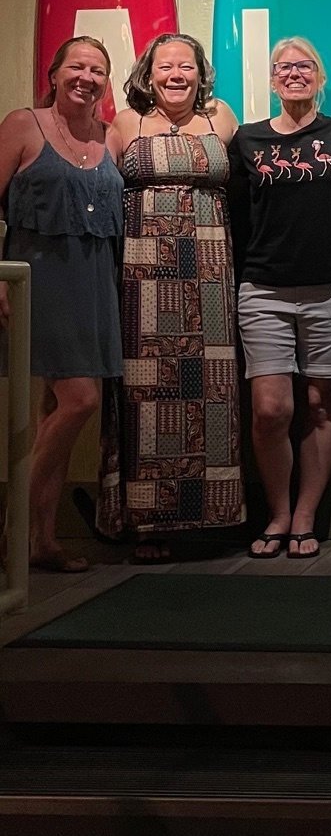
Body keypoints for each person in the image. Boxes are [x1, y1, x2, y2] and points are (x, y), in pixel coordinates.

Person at [98, 33, 243, 560]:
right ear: (149, 73)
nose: (176, 74)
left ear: (200, 72)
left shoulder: (220, 118)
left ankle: (211, 516)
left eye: (186, 65)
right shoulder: (126, 124)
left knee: (213, 392)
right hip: (143, 281)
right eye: (166, 66)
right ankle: (147, 522)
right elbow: (97, 188)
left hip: (210, 276)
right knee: (146, 396)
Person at [0, 36, 123, 572]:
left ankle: (41, 541)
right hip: (38, 280)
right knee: (80, 401)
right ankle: (11, 525)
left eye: (98, 70)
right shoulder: (22, 124)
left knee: (58, 409)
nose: (87, 77)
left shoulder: (110, 137)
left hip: (94, 281)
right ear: (54, 73)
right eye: (77, 66)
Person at [229, 38, 331, 559]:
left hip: (330, 286)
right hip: (262, 286)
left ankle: (305, 515)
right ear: (272, 79)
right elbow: (236, 213)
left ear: (319, 78)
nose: (295, 74)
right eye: (284, 67)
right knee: (270, 410)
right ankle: (277, 513)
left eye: (305, 66)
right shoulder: (247, 139)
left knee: (320, 408)